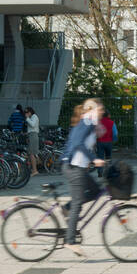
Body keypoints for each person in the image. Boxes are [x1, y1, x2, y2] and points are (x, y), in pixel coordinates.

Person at [59, 99, 106, 257]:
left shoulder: (89, 124)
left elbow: (92, 138)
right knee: (78, 202)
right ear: (91, 110)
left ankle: (67, 207)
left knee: (96, 191)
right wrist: (93, 159)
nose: (102, 112)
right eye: (100, 110)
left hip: (79, 167)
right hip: (73, 167)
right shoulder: (86, 122)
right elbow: (78, 144)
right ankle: (70, 241)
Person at [25, 106, 41, 175]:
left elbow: (33, 125)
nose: (26, 114)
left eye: (27, 112)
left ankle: (35, 170)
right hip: (31, 135)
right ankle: (34, 169)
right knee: (31, 153)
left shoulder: (34, 116)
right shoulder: (32, 117)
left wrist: (27, 118)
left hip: (33, 135)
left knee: (32, 153)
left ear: (30, 112)